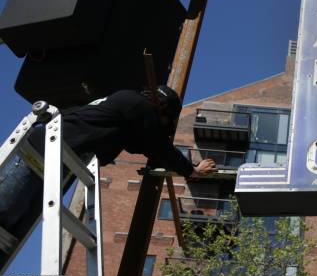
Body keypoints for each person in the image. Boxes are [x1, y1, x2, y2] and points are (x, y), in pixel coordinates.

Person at [0, 85, 216, 236]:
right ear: (160, 107)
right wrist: (192, 170)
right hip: (43, 151)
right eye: (165, 120)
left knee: (14, 222)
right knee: (5, 208)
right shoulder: (137, 104)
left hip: (58, 161)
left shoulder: (124, 116)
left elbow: (145, 146)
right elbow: (159, 146)